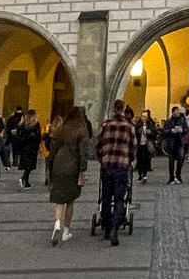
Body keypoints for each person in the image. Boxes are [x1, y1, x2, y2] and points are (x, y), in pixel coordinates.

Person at [95, 99, 136, 246]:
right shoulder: (129, 126)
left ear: (113, 109)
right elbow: (132, 148)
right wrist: (129, 161)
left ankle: (106, 228)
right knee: (119, 198)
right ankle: (114, 228)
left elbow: (98, 146)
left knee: (106, 197)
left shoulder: (106, 125)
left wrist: (102, 160)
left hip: (107, 166)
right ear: (124, 109)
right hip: (121, 166)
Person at [48, 106, 90, 246]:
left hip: (59, 163)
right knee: (70, 200)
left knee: (59, 198)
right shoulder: (81, 130)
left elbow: (53, 150)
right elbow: (83, 154)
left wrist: (50, 168)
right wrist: (82, 172)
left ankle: (56, 225)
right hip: (72, 165)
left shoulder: (62, 129)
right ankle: (66, 231)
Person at [13, 109, 42, 189]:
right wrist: (38, 145)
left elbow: (18, 134)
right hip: (32, 147)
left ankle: (26, 181)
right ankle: (24, 179)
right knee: (30, 165)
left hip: (24, 147)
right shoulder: (36, 123)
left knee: (26, 165)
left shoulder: (23, 123)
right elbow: (38, 136)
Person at [162, 104, 189, 184]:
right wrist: (172, 131)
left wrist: (182, 130)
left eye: (178, 111)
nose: (178, 112)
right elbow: (164, 131)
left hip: (180, 142)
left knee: (181, 159)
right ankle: (171, 177)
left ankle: (178, 175)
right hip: (171, 143)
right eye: (176, 111)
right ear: (173, 112)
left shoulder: (182, 120)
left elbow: (186, 129)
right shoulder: (168, 121)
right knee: (171, 161)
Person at [135, 109, 155, 183]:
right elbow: (135, 134)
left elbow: (154, 133)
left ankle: (145, 174)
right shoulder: (138, 125)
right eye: (143, 116)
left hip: (147, 144)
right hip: (139, 145)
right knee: (140, 160)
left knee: (146, 160)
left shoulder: (150, 124)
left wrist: (150, 132)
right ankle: (140, 175)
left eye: (145, 116)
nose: (144, 118)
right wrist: (138, 132)